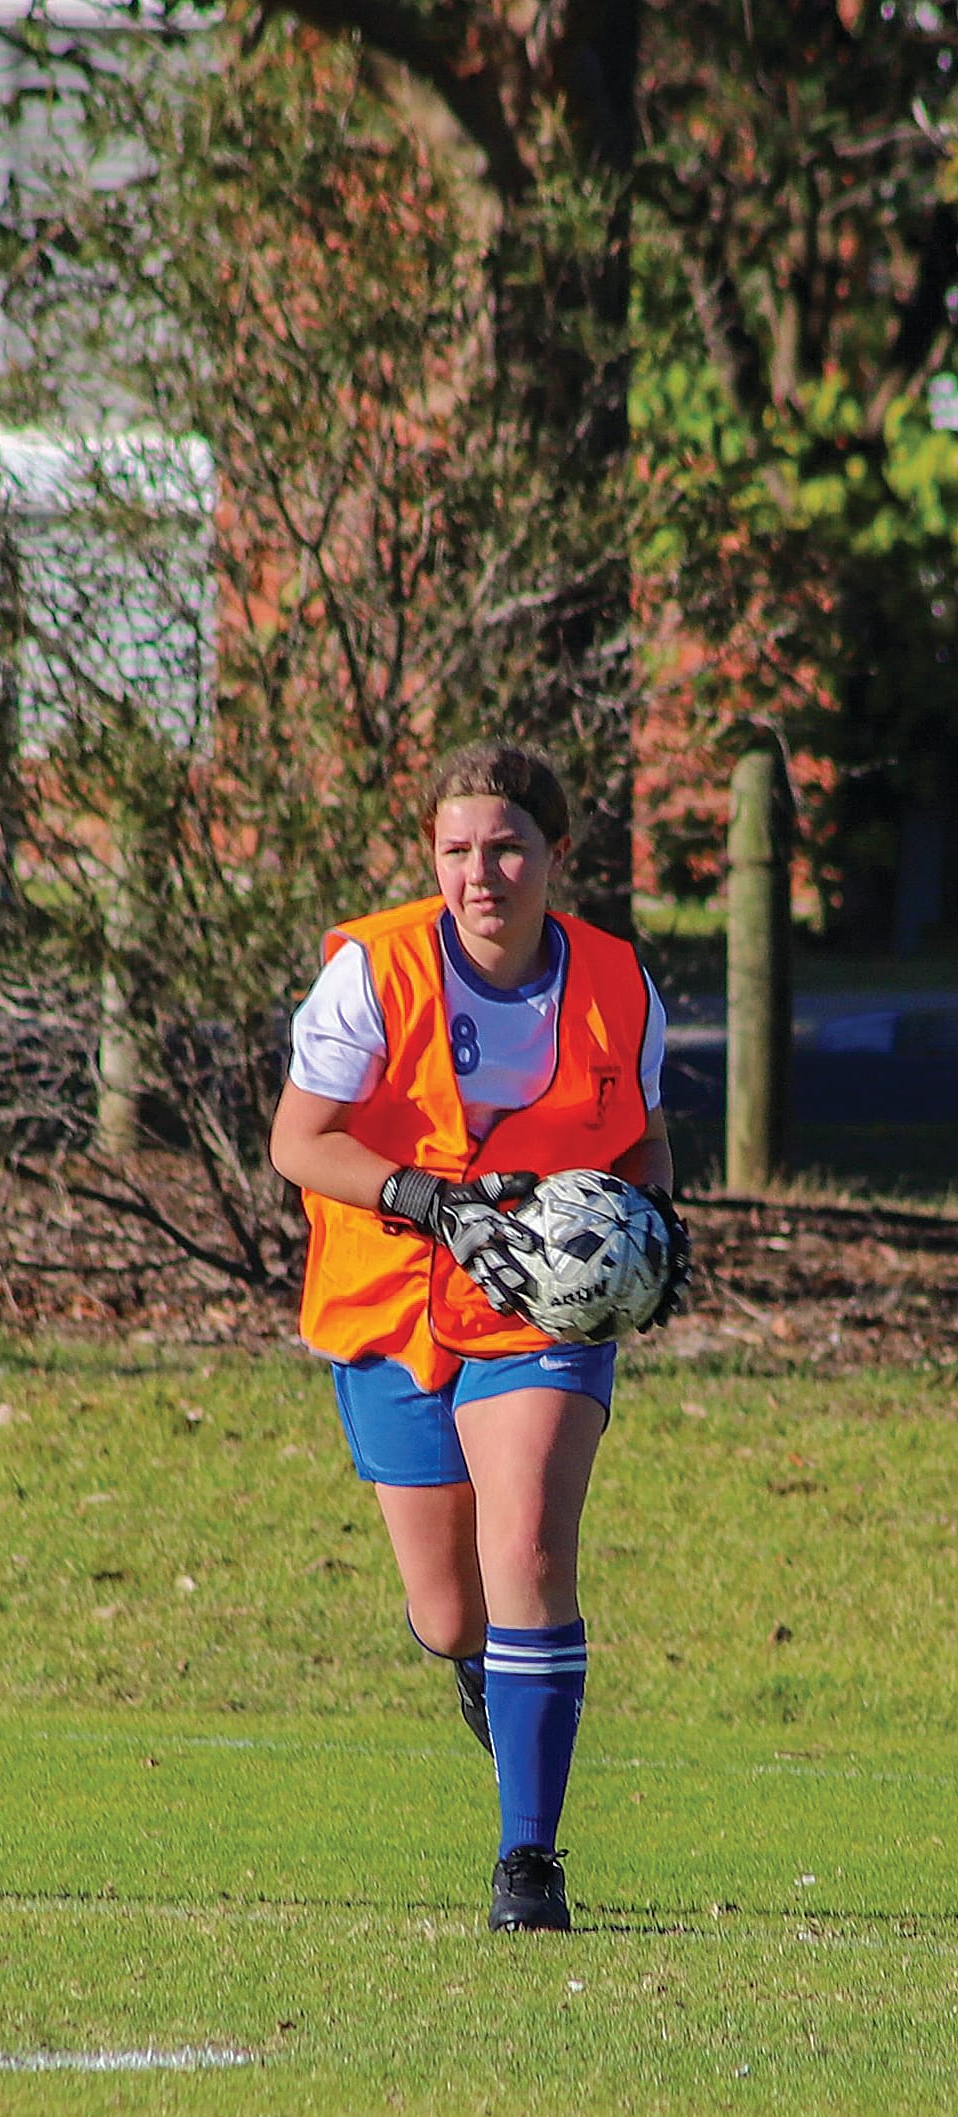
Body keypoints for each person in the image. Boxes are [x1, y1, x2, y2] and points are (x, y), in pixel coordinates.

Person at [268, 742, 689, 1932]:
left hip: (537, 1304)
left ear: (556, 853)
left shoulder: (615, 979)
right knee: (453, 1612)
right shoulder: (373, 970)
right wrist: (429, 1199)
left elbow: (641, 1137)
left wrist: (651, 1219)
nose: (479, 872)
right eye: (455, 849)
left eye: (505, 845)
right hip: (395, 1292)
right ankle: (481, 1674)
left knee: (530, 1560)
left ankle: (527, 1861)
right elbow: (297, 1142)